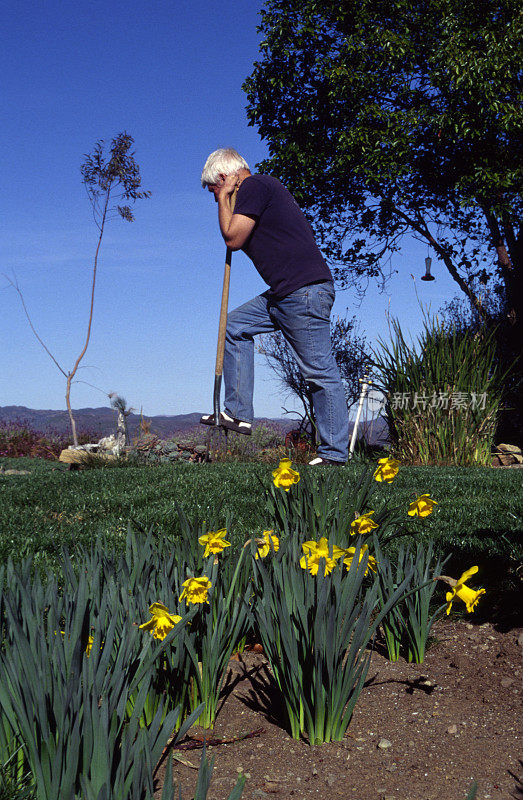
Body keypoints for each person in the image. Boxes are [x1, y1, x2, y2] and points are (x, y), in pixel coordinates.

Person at [200, 147, 349, 465]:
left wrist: (225, 198)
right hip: (285, 293)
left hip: (303, 291)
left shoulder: (255, 186)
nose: (216, 200)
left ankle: (334, 455)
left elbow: (232, 238)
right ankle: (238, 412)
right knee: (235, 325)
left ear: (225, 178)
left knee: (320, 373)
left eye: (215, 191)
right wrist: (226, 198)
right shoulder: (260, 190)